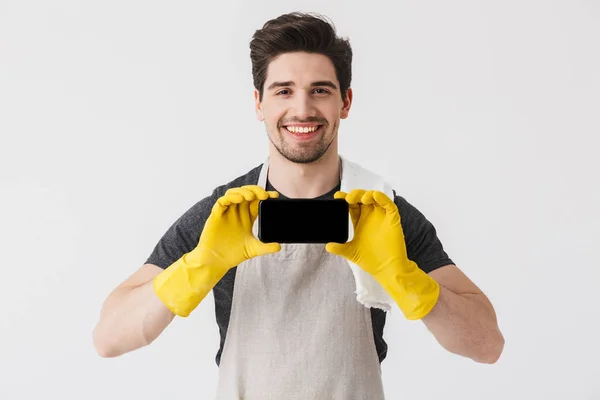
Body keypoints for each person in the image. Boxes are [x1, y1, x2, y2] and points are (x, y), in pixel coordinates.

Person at [92, 11, 504, 399]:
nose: (302, 109)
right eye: (283, 91)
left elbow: (487, 345)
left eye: (320, 90)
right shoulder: (228, 211)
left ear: (345, 102)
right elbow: (109, 337)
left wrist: (406, 277)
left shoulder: (381, 212)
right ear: (259, 103)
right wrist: (201, 265)